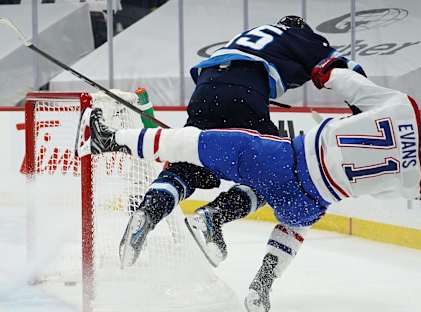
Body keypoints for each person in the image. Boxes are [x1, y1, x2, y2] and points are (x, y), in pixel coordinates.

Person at [83, 59, 421, 312]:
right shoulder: (413, 180)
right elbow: (374, 188)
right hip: (314, 199)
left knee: (197, 144)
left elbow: (348, 82)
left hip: (290, 159)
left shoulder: (401, 107)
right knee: (290, 225)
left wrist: (324, 73)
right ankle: (261, 285)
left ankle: (111, 139)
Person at [113, 15, 367, 269]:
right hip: (243, 90)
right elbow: (345, 69)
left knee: (190, 165)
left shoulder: (255, 35)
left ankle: (148, 211)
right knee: (278, 174)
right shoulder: (299, 37)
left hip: (205, 88)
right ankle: (213, 216)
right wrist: (363, 114)